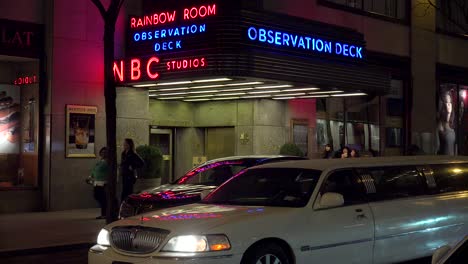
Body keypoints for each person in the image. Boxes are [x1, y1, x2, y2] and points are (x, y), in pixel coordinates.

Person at [90, 147, 109, 219]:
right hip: (97, 182)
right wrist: (90, 176)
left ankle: (104, 214)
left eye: (105, 152)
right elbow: (94, 170)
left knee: (103, 198)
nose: (103, 154)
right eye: (102, 152)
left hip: (103, 182)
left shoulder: (108, 162)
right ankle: (104, 213)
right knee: (97, 196)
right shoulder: (100, 161)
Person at [437, 90, 456, 155]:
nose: (448, 104)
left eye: (450, 102)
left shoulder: (451, 117)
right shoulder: (440, 120)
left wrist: (449, 113)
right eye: (446, 102)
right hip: (444, 158)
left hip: (449, 133)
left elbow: (448, 122)